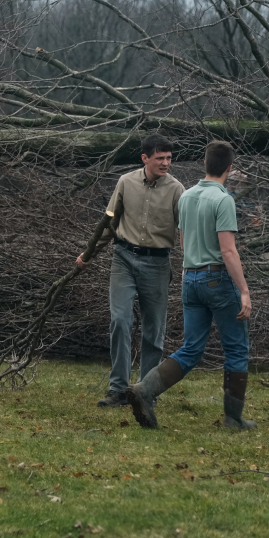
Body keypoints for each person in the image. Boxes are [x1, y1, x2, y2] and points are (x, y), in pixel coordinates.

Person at [126, 141, 255, 430]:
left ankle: (145, 390)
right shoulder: (223, 201)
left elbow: (183, 242)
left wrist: (188, 271)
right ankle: (233, 419)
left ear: (205, 164)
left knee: (191, 348)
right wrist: (244, 290)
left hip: (190, 279)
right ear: (229, 169)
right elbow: (228, 251)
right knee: (235, 349)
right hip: (217, 279)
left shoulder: (187, 197)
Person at [78, 134, 185, 407]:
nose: (165, 163)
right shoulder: (125, 182)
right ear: (145, 158)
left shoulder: (177, 190)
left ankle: (146, 393)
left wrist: (190, 264)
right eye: (159, 158)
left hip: (158, 262)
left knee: (154, 330)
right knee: (120, 321)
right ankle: (118, 390)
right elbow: (109, 221)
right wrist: (89, 254)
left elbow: (185, 231)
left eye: (169, 158)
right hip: (123, 258)